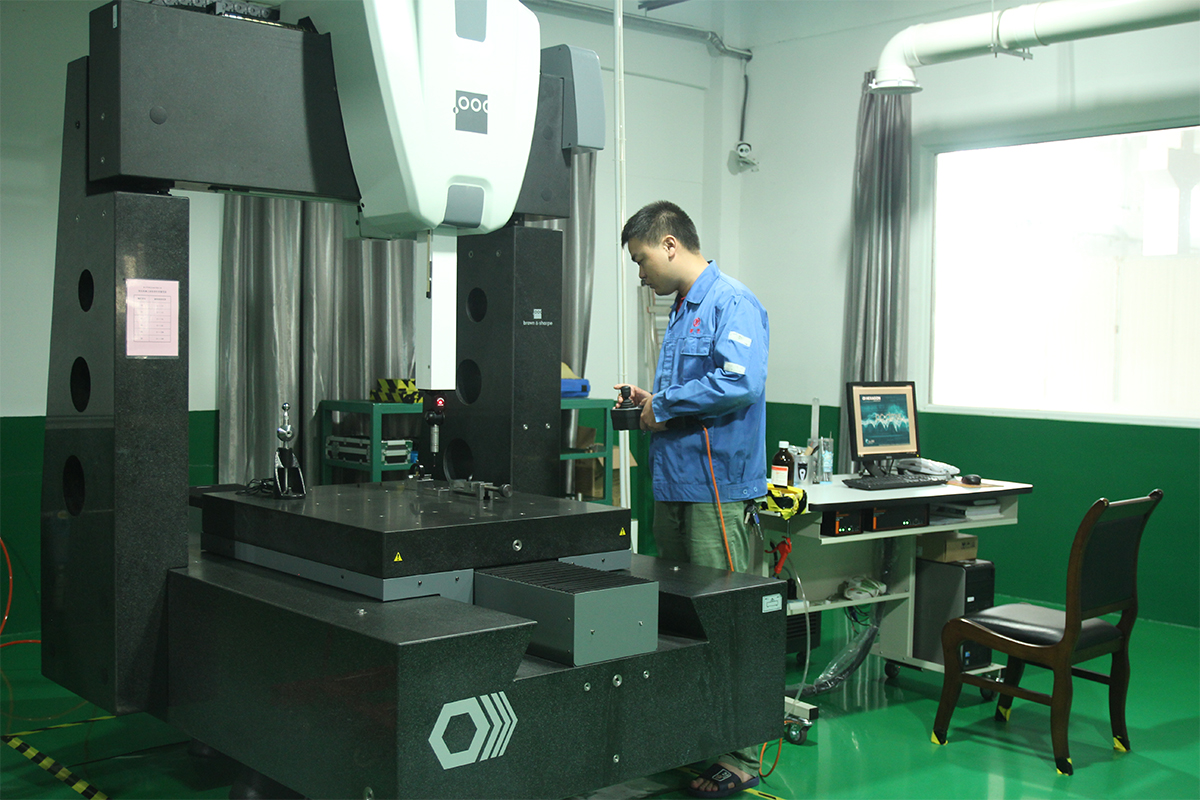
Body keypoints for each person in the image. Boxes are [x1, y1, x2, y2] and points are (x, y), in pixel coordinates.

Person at [614, 201, 769, 798]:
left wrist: (667, 404)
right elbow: (687, 393)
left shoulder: (732, 302)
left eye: (642, 260)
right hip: (674, 485)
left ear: (670, 244)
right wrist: (650, 399)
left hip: (716, 490)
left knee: (724, 619)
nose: (641, 274)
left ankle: (742, 752)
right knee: (680, 620)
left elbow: (741, 380)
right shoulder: (681, 310)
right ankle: (696, 737)